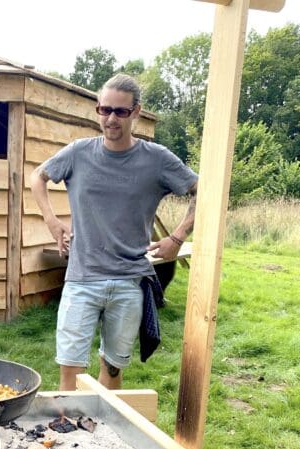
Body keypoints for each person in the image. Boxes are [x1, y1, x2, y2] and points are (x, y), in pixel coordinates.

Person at [30, 73, 198, 392]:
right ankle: (69, 436)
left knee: (113, 371)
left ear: (136, 111)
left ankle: (105, 439)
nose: (110, 119)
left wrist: (177, 237)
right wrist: (52, 220)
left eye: (120, 111)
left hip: (129, 280)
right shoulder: (79, 153)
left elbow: (203, 190)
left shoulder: (157, 159)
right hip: (81, 278)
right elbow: (38, 176)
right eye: (104, 110)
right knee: (70, 373)